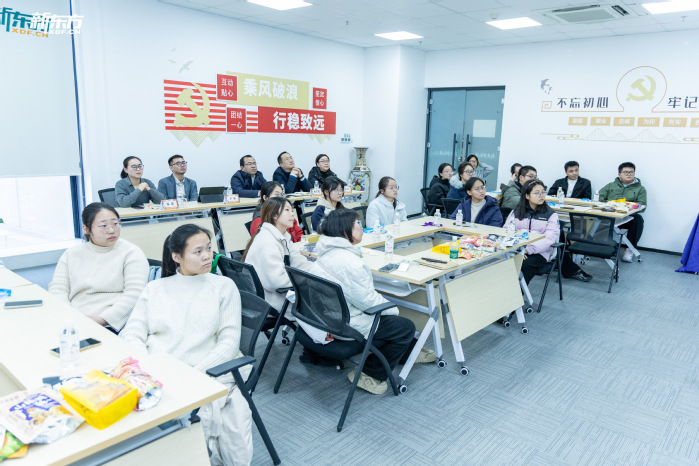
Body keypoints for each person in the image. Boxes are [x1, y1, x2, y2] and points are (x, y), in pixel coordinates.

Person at [121, 224, 252, 465]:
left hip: (205, 368)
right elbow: (133, 334)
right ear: (176, 257)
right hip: (158, 371)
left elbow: (229, 343)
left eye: (209, 249)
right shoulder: (155, 288)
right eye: (198, 251)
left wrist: (191, 375)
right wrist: (147, 370)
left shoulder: (224, 286)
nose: (207, 256)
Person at [310, 209, 416, 395]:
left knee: (392, 321)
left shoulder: (324, 254)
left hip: (327, 321)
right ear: (344, 231)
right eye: (357, 224)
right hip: (349, 326)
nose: (361, 227)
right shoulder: (352, 263)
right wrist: (394, 310)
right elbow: (369, 302)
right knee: (405, 326)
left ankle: (409, 350)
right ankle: (370, 373)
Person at [49, 202, 149, 331]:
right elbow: (58, 289)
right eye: (103, 226)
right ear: (86, 229)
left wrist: (102, 320)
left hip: (112, 324)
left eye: (115, 224)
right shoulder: (71, 254)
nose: (111, 230)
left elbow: (135, 294)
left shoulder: (131, 253)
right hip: (72, 320)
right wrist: (68, 316)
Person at [505, 180, 591, 283]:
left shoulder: (550, 214)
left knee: (523, 265)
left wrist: (527, 250)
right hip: (518, 249)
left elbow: (549, 240)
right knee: (500, 262)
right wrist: (517, 250)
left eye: (543, 192)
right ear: (527, 196)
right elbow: (507, 232)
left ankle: (517, 291)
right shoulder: (516, 212)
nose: (541, 195)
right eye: (537, 193)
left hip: (541, 252)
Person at [243, 197, 313, 311]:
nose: (292, 214)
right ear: (274, 215)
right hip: (272, 302)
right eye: (287, 210)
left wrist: (316, 271)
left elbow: (298, 261)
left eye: (292, 210)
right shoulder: (268, 241)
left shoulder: (282, 236)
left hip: (273, 296)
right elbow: (277, 281)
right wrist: (307, 278)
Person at [599, 162, 647, 263]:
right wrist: (610, 204)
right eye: (625, 172)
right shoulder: (611, 185)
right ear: (619, 174)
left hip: (627, 217)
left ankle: (629, 249)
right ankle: (602, 246)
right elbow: (599, 197)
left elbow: (642, 205)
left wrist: (629, 206)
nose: (629, 174)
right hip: (610, 214)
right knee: (592, 217)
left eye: (631, 172)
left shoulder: (640, 189)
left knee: (638, 219)